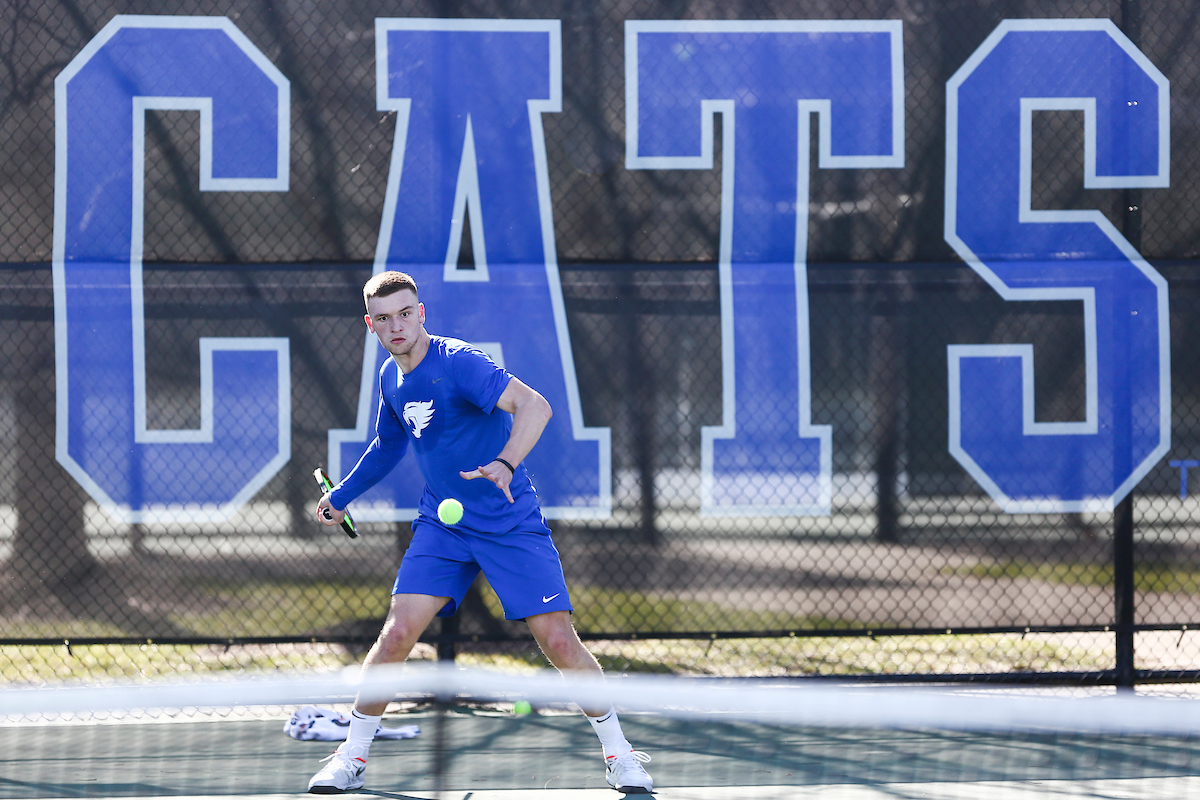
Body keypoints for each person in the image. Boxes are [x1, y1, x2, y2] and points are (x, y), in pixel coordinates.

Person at [307, 270, 653, 794]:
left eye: (405, 313)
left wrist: (506, 463)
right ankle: (350, 758)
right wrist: (343, 495)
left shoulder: (458, 362)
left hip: (508, 519)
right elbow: (387, 446)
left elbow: (535, 406)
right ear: (370, 324)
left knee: (557, 640)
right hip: (442, 527)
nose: (396, 326)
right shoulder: (390, 378)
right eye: (384, 319)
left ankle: (620, 754)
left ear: (420, 313)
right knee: (398, 633)